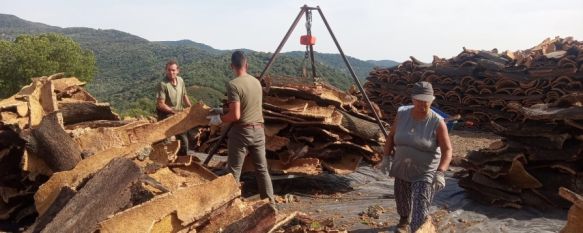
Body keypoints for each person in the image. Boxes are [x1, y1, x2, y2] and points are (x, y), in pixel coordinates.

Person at [383, 81, 453, 233]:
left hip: (424, 171)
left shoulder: (437, 122)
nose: (422, 105)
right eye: (419, 101)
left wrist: (440, 172)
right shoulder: (402, 114)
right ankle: (403, 221)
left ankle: (417, 228)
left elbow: (447, 150)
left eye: (426, 101)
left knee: (420, 210)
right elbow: (391, 136)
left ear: (432, 100)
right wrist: (386, 157)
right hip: (402, 166)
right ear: (413, 99)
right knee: (402, 199)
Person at [207, 50, 275, 203]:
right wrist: (223, 110)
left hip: (242, 132)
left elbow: (236, 116)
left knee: (234, 172)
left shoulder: (233, 85)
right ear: (247, 64)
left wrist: (219, 119)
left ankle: (230, 206)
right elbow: (248, 107)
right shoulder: (256, 82)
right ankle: (271, 205)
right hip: (258, 130)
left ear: (232, 65)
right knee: (262, 170)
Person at [156, 59, 192, 155]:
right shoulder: (163, 84)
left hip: (178, 115)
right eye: (169, 70)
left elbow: (184, 96)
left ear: (177, 71)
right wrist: (173, 111)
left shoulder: (180, 80)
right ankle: (163, 162)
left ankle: (182, 160)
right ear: (166, 70)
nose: (171, 72)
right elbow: (160, 104)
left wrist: (191, 107)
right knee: (166, 141)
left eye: (173, 70)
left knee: (184, 140)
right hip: (166, 115)